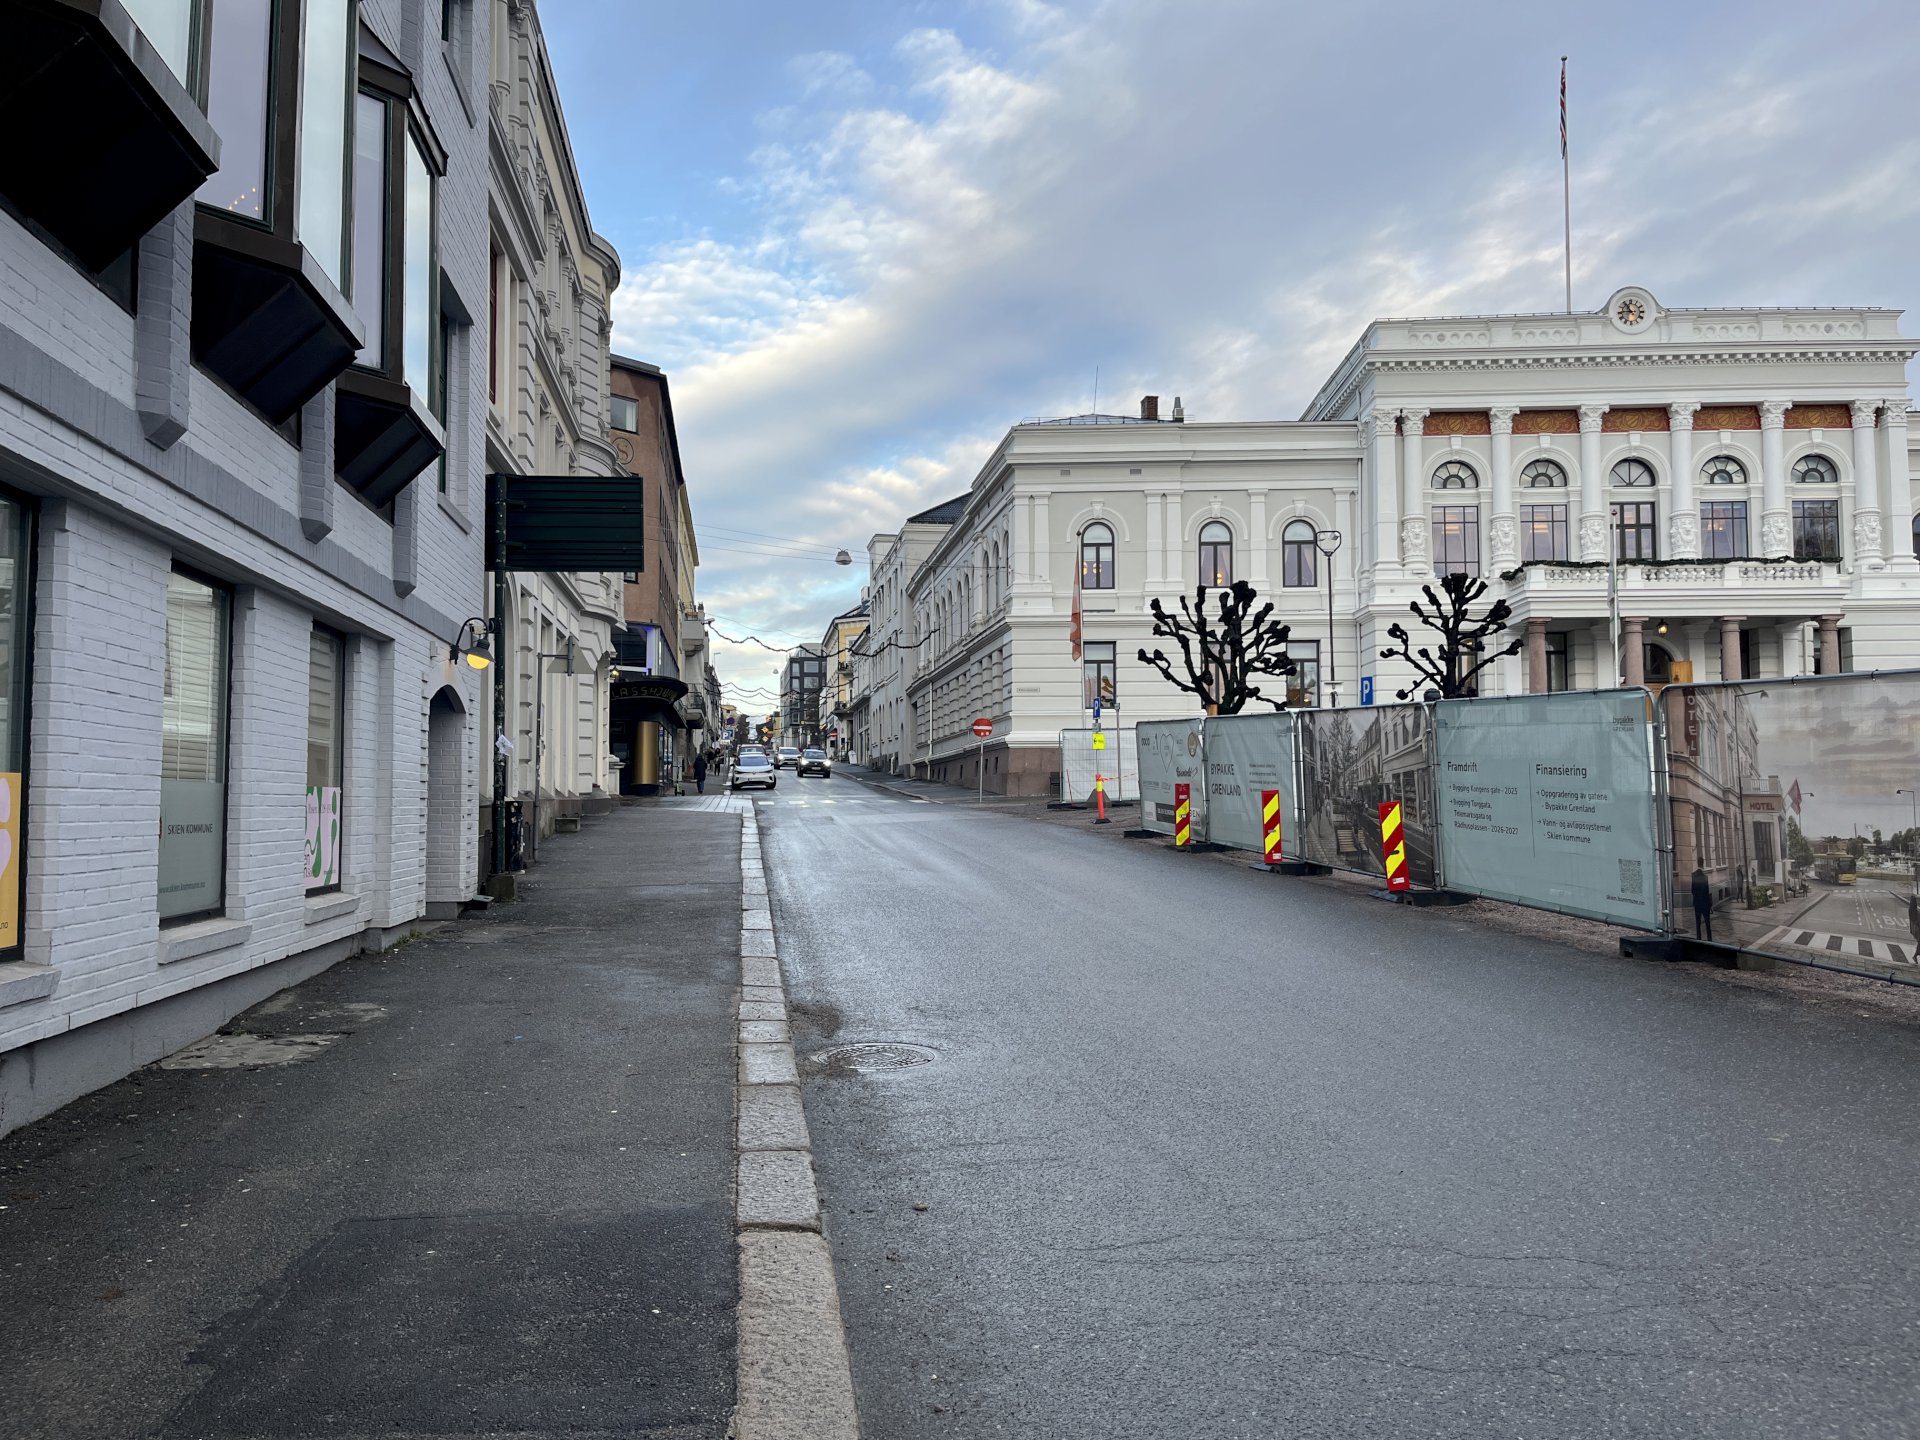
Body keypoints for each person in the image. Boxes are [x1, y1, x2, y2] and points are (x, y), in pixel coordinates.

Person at [1690, 867, 1713, 942]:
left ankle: (1699, 938)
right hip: (1705, 903)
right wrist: (1710, 904)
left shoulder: (1694, 878)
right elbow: (1707, 891)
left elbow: (1692, 891)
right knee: (1707, 923)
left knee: (1698, 923)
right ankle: (1709, 939)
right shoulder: (1705, 877)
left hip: (1697, 903)